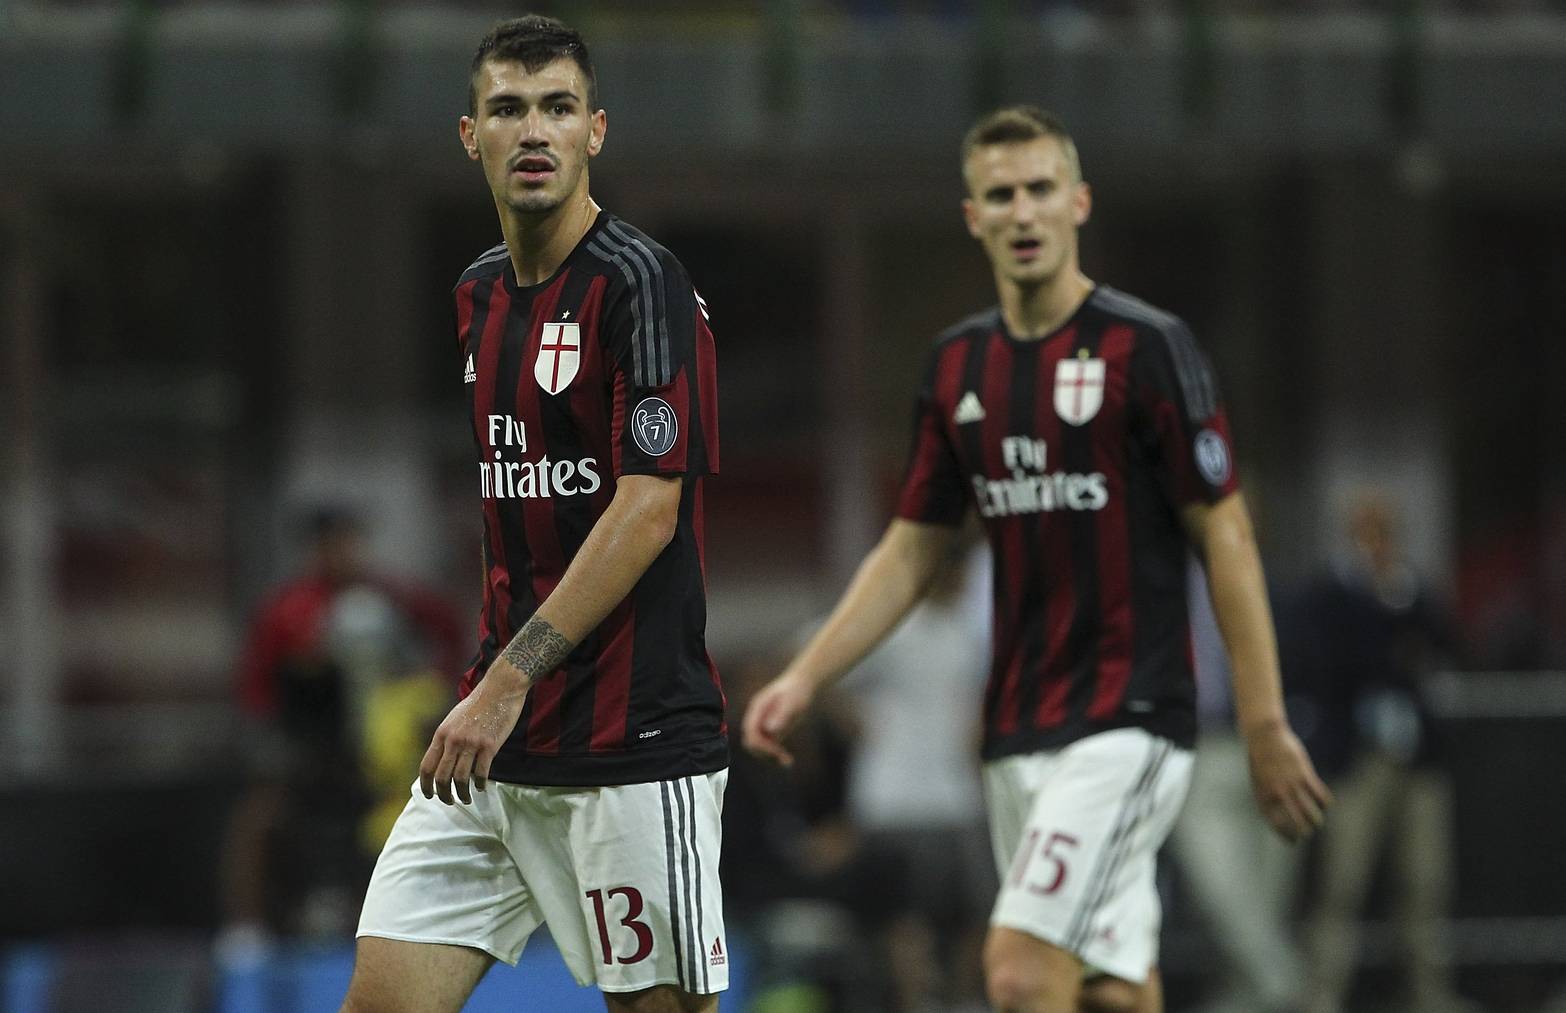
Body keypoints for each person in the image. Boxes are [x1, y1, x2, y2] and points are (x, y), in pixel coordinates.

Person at [742, 106, 1331, 1013]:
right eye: (1002, 195)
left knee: (1018, 968)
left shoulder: (1149, 350)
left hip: (1128, 718)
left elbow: (1228, 532)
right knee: (1111, 985)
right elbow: (911, 546)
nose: (1024, 212)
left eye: (1041, 190)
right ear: (973, 215)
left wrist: (1261, 719)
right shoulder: (956, 368)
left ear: (1079, 202)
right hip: (1016, 729)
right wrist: (810, 674)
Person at [343, 16, 726, 1013]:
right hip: (495, 753)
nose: (534, 130)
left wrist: (507, 676)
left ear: (595, 130)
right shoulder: (478, 293)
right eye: (508, 109)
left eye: (557, 107)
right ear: (471, 136)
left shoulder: (644, 285)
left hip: (630, 747)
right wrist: (497, 686)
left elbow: (647, 511)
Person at [1292, 492, 1472, 1013]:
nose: (1376, 545)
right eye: (1366, 532)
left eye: (1384, 532)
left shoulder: (1411, 590)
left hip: (1416, 757)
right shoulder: (1332, 593)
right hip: (1358, 758)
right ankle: (1322, 994)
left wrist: (1399, 598)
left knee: (1426, 881)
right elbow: (1340, 660)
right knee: (1341, 883)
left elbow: (1441, 643)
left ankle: (1428, 992)